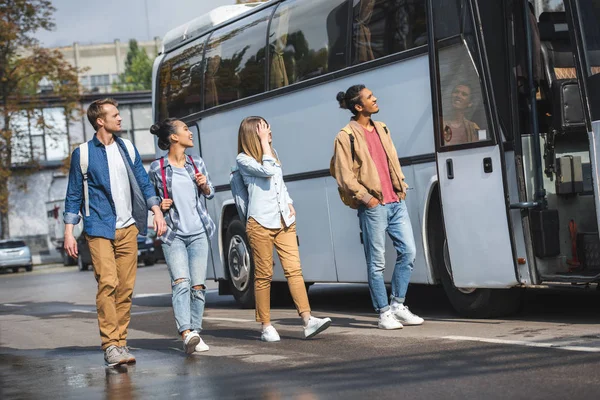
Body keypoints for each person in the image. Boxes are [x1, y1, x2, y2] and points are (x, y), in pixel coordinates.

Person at [63, 98, 167, 366]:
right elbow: (74, 194)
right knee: (108, 282)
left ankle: (121, 342)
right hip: (99, 228)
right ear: (100, 121)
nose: (120, 119)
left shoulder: (127, 148)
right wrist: (68, 232)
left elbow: (143, 183)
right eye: (115, 115)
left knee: (126, 288)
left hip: (128, 228)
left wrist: (156, 211)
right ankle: (110, 344)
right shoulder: (83, 154)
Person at [332, 85, 424, 329]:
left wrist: (400, 187)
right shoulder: (346, 136)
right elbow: (344, 175)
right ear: (359, 106)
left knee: (409, 252)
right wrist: (366, 198)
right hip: (373, 206)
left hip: (395, 201)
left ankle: (398, 305)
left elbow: (391, 160)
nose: (376, 99)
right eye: (370, 97)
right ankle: (383, 312)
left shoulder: (382, 128)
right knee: (376, 263)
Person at [236, 116, 332, 342]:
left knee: (294, 270)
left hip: (283, 221)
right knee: (263, 276)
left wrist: (288, 202)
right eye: (264, 129)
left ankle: (308, 321)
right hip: (260, 223)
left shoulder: (272, 153)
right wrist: (264, 144)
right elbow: (267, 171)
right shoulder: (243, 159)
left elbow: (279, 182)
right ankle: (266, 326)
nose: (269, 132)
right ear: (254, 134)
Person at [148, 118, 215, 355]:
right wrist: (159, 204)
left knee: (198, 286)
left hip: (198, 231)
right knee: (181, 283)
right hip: (173, 233)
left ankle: (195, 332)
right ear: (174, 137)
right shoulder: (157, 168)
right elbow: (150, 197)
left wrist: (206, 186)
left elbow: (209, 193)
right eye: (186, 129)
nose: (190, 133)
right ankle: (186, 332)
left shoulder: (196, 163)